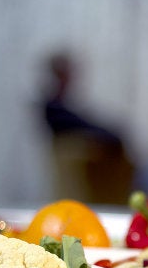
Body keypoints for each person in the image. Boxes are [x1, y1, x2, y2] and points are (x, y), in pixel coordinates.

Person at [40, 50, 134, 205]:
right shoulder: (53, 107)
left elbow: (87, 123)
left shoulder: (64, 105)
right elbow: (76, 126)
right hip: (73, 157)